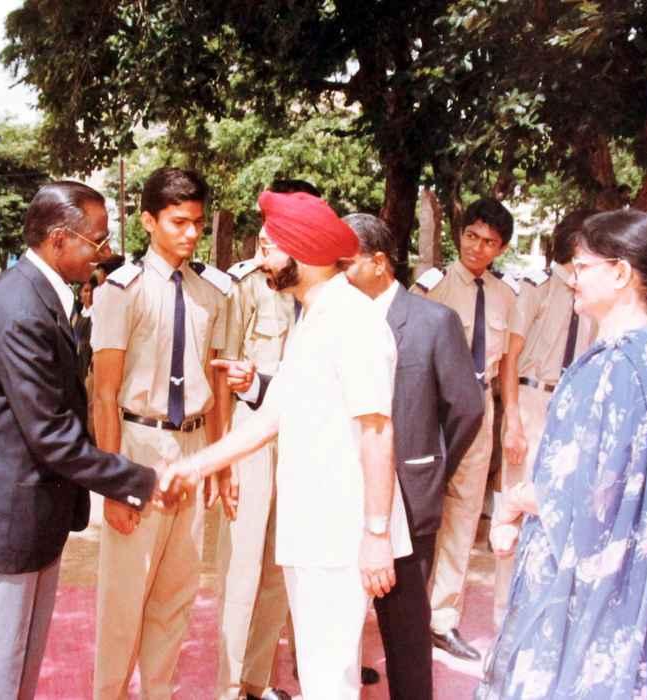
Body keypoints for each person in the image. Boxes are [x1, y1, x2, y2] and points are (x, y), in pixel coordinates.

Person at [161, 190, 410, 699]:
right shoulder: (315, 317)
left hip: (340, 533)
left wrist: (376, 534)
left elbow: (377, 430)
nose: (263, 261)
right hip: (315, 529)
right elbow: (271, 418)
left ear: (305, 251)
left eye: (271, 248)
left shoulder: (352, 321)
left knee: (329, 679)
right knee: (321, 674)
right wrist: (197, 465)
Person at [0, 181, 164, 699]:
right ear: (59, 239)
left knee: (17, 668)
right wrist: (140, 481)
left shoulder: (41, 296)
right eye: (97, 240)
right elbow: (51, 435)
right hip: (8, 518)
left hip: (33, 513)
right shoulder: (21, 308)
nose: (103, 252)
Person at [478, 208, 647, 698]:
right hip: (612, 575)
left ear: (620, 273)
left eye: (582, 267)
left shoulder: (618, 363)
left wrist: (512, 504)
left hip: (580, 581)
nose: (573, 278)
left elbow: (590, 493)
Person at [90, 167, 232, 699]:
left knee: (176, 592)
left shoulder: (212, 292)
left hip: (192, 446)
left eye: (197, 222)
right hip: (139, 445)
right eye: (178, 222)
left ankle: (158, 691)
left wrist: (218, 463)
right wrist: (112, 483)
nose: (190, 233)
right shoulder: (121, 291)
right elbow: (104, 394)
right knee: (125, 594)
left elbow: (217, 387)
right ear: (149, 221)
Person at [340, 213, 484, 700]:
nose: (338, 273)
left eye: (345, 263)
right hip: (343, 495)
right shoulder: (335, 322)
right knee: (337, 631)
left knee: (405, 634)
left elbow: (466, 409)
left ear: (379, 262)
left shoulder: (433, 321)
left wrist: (431, 465)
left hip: (408, 497)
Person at [212, 179, 316, 700]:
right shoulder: (247, 284)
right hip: (251, 437)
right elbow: (220, 375)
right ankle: (229, 687)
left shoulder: (318, 289)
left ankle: (257, 680)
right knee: (242, 566)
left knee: (280, 562)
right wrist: (223, 463)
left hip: (299, 439)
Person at [410, 197, 518, 661]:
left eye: (489, 242)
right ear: (459, 234)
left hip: (479, 406)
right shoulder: (431, 286)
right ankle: (403, 612)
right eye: (471, 236)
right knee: (415, 509)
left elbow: (507, 363)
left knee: (464, 511)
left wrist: (511, 418)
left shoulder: (506, 295)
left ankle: (442, 618)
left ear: (501, 248)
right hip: (431, 406)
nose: (477, 247)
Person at [493, 210, 598, 627]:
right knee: (514, 507)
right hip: (533, 400)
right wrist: (513, 422)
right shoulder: (535, 288)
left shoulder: (591, 295)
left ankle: (545, 611)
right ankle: (505, 616)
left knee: (560, 506)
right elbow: (510, 359)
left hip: (572, 403)